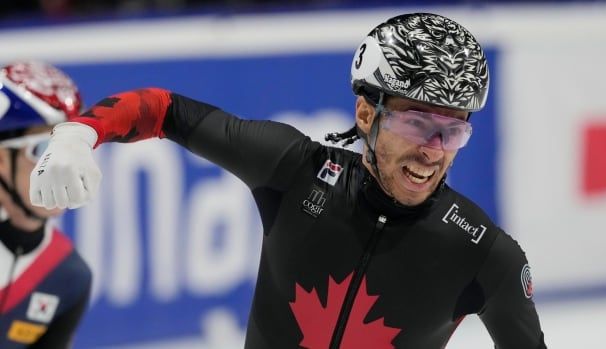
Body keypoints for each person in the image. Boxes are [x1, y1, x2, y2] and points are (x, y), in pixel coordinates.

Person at [29, 13, 546, 348]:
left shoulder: (485, 254)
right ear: (366, 115)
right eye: (416, 123)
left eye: (452, 131)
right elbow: (165, 110)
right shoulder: (295, 171)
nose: (433, 151)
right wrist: (80, 133)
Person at [0, 61, 92, 348]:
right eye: (43, 149)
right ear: (1, 160)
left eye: (70, 148)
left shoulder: (67, 275)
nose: (62, 166)